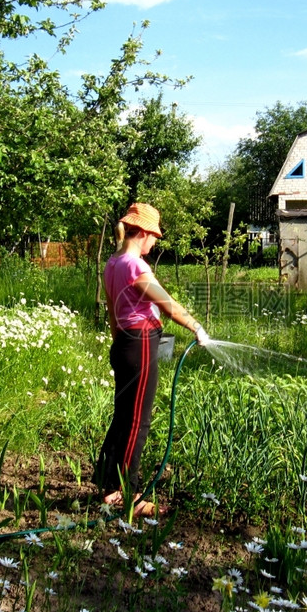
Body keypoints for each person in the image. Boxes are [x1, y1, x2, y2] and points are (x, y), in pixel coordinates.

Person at [93, 202, 209, 517]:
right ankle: (130, 494)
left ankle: (109, 488)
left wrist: (120, 347)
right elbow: (168, 305)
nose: (155, 242)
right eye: (154, 236)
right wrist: (197, 327)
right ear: (142, 232)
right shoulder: (135, 267)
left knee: (123, 417)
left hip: (124, 346)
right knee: (138, 422)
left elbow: (111, 311)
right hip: (140, 345)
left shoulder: (112, 263)